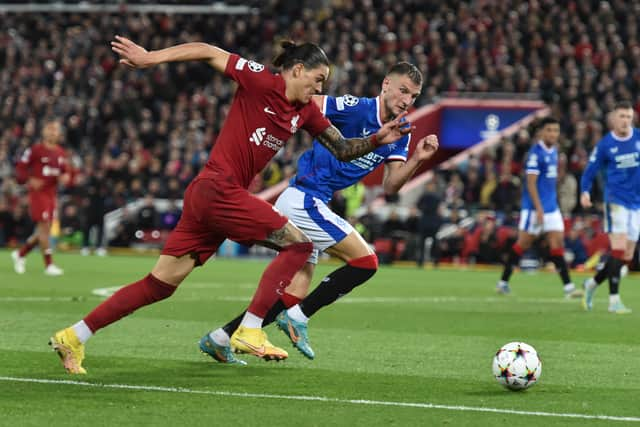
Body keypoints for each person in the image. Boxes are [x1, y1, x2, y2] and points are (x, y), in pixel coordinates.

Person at [49, 37, 414, 374]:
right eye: (317, 80)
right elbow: (208, 50)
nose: (320, 89)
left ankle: (74, 336)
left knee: (160, 285)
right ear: (298, 69)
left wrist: (377, 139)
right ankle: (250, 329)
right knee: (300, 245)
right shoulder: (260, 81)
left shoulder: (305, 112)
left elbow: (344, 148)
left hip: (214, 197)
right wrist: (150, 59)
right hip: (217, 188)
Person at [201, 62, 438, 362]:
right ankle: (297, 318)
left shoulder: (401, 133)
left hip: (313, 202)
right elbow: (307, 100)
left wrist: (417, 158)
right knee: (366, 262)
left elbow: (391, 186)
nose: (406, 100)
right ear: (385, 84)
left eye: (414, 96)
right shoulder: (355, 107)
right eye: (403, 90)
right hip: (303, 199)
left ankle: (221, 337)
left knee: (292, 292)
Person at [497, 117, 582, 298]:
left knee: (557, 243)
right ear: (541, 132)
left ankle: (568, 288)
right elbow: (531, 184)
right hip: (535, 209)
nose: (553, 134)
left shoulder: (554, 152)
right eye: (549, 130)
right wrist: (539, 209)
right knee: (522, 244)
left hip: (552, 207)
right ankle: (503, 282)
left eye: (556, 130)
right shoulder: (535, 153)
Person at [580, 101, 640, 314]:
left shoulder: (638, 137)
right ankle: (614, 300)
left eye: (629, 116)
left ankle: (592, 284)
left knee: (626, 256)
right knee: (618, 249)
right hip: (616, 201)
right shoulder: (605, 145)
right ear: (614, 118)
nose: (625, 121)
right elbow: (590, 170)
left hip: (636, 202)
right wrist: (585, 191)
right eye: (622, 116)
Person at [11, 120, 67, 276]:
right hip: (38, 195)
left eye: (55, 130)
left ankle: (21, 254)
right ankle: (49, 265)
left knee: (44, 230)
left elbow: (64, 172)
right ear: (43, 132)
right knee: (44, 228)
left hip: (51, 195)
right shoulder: (35, 150)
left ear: (59, 134)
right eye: (49, 129)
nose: (52, 132)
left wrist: (66, 178)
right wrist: (28, 179)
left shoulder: (61, 153)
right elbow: (20, 168)